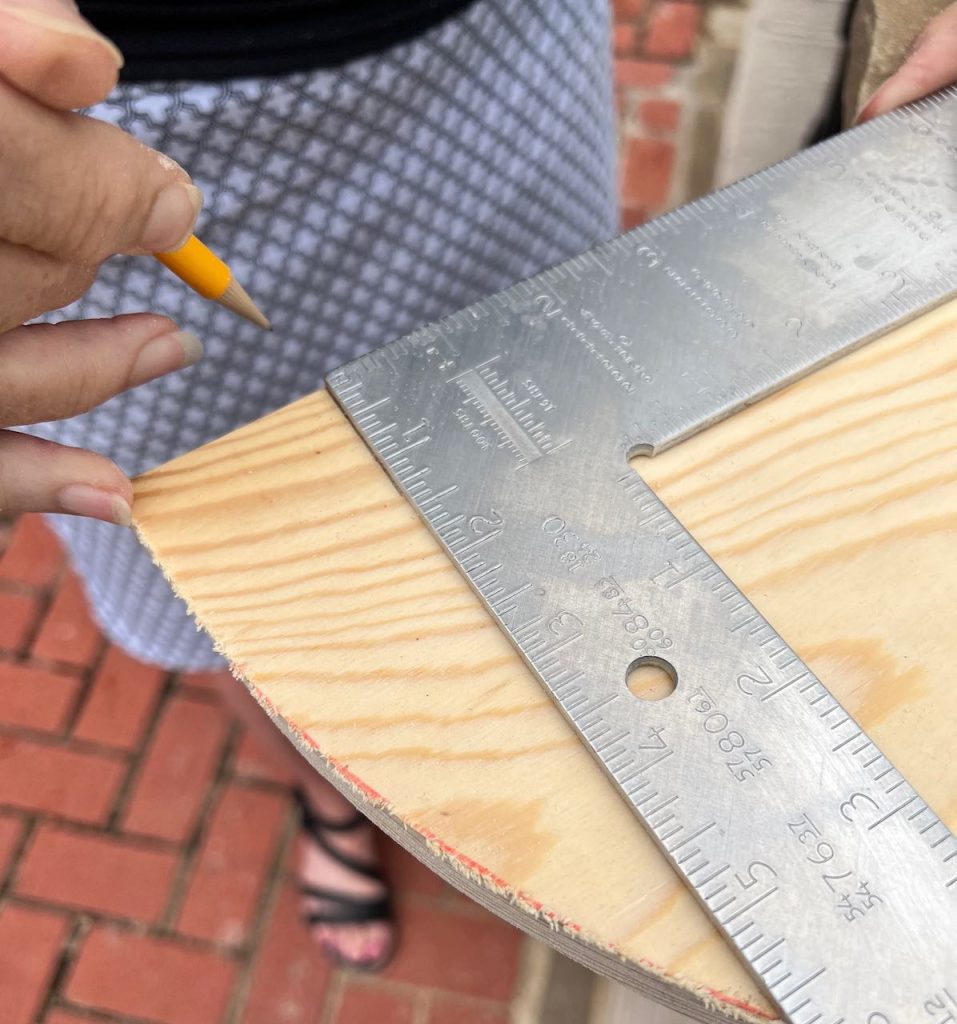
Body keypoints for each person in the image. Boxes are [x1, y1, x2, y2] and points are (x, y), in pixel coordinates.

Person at [0, 0, 954, 973]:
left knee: (556, 451)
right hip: (87, 154)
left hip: (494, 64)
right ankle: (330, 785)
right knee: (201, 570)